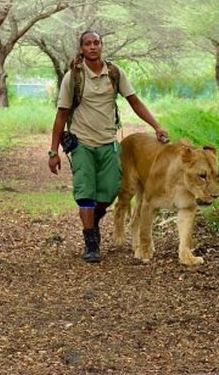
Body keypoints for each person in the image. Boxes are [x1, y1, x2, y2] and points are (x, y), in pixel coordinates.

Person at [48, 30, 168, 263]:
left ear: (102, 46)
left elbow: (134, 101)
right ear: (81, 48)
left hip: (108, 143)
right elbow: (61, 115)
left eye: (96, 43)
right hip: (81, 143)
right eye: (87, 44)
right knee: (85, 192)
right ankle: (91, 242)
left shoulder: (114, 73)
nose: (92, 47)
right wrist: (53, 152)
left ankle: (93, 218)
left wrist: (156, 126)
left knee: (111, 190)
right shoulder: (73, 77)